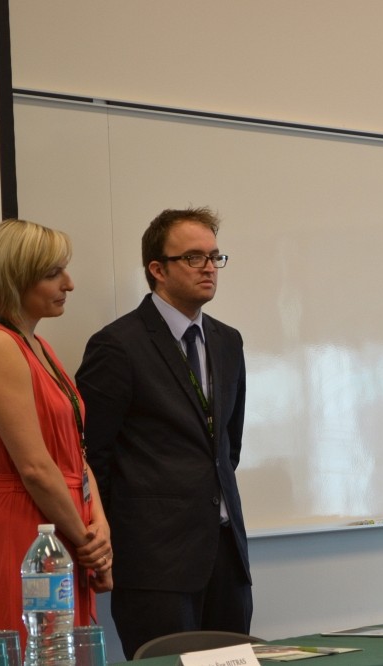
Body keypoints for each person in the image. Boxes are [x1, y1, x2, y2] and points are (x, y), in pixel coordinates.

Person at [76, 206, 251, 659]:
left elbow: (225, 448)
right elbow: (92, 456)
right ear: (157, 269)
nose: (209, 268)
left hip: (226, 557)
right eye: (194, 258)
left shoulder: (228, 340)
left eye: (215, 257)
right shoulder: (118, 346)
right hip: (154, 563)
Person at [0, 218, 113, 642]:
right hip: (22, 533)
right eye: (52, 274)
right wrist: (86, 542)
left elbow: (75, 453)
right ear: (14, 280)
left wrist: (99, 526)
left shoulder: (38, 346)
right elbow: (35, 468)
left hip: (63, 528)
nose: (70, 283)